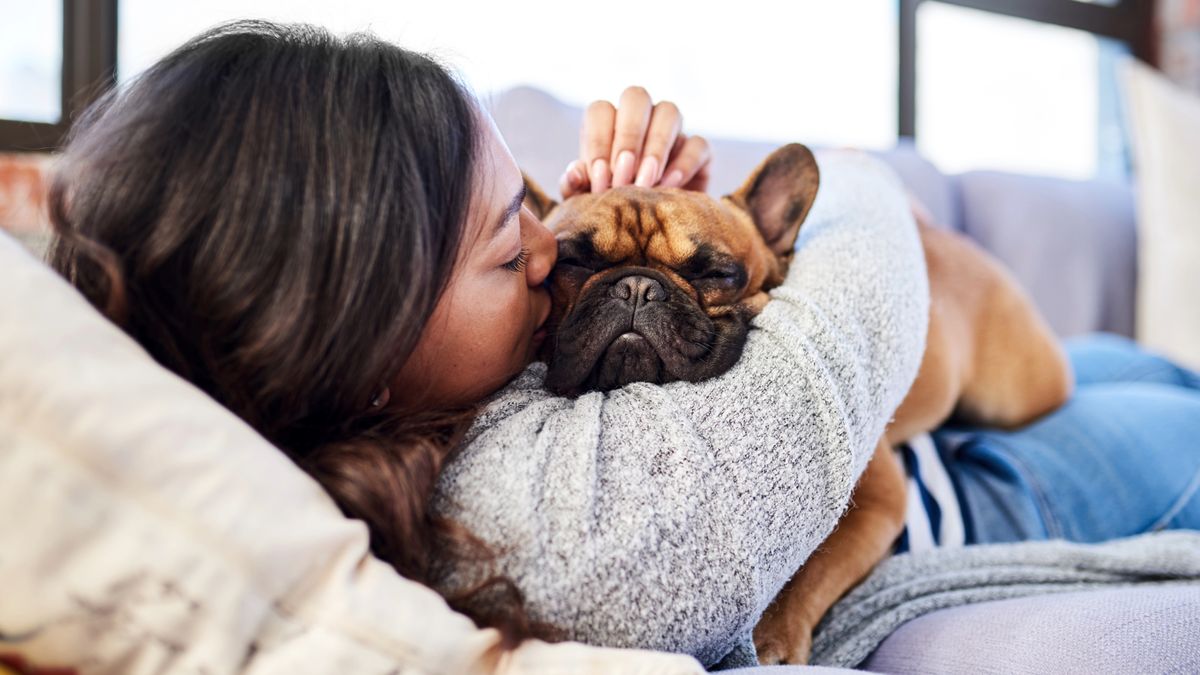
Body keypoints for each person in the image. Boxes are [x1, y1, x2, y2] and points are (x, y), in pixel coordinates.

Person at [47, 20, 1200, 669]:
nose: (555, 266)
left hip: (976, 405)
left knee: (1117, 364)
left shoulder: (381, 436)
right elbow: (870, 215)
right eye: (522, 249)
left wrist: (655, 232)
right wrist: (746, 235)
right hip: (997, 484)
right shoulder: (588, 523)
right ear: (367, 326)